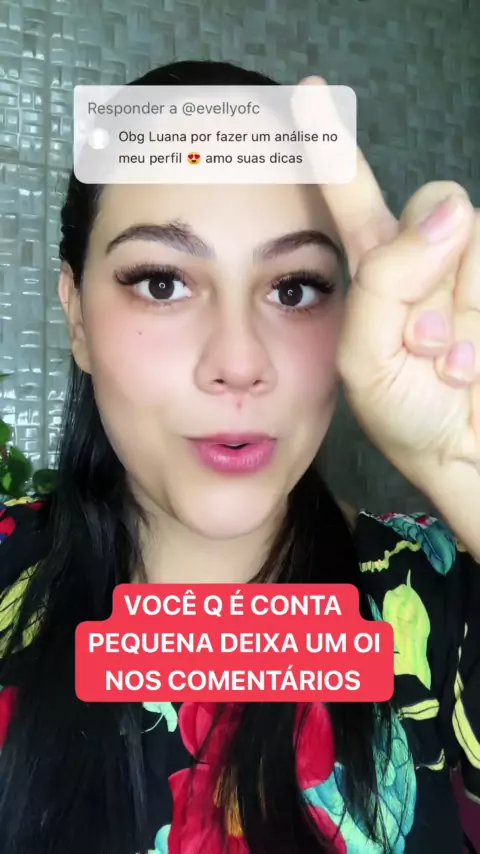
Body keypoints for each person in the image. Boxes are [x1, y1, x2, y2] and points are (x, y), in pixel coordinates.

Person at [0, 59, 478, 854]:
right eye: (162, 283)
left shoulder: (435, 603)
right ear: (76, 314)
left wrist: (469, 471)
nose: (238, 361)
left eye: (293, 289)